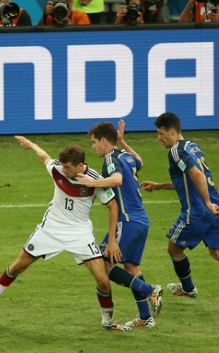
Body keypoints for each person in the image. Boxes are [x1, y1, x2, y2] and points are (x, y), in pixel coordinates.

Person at [0, 137, 132, 332]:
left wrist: (112, 240)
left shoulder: (95, 180)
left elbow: (113, 206)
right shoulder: (57, 169)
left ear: (80, 165)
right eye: (62, 166)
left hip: (80, 234)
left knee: (103, 280)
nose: (63, 170)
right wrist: (30, 145)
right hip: (51, 229)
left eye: (68, 167)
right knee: (19, 265)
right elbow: (44, 156)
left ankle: (108, 322)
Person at [141, 112, 219, 313]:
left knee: (173, 249)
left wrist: (206, 203)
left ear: (172, 131)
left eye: (161, 133)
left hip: (197, 211)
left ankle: (188, 288)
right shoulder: (192, 146)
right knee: (218, 251)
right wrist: (159, 185)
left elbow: (195, 174)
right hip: (216, 209)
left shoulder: (175, 151)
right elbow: (189, 180)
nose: (158, 138)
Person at [77, 121, 164, 328]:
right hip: (141, 220)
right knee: (131, 266)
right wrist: (124, 142)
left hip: (126, 220)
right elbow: (140, 162)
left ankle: (149, 289)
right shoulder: (125, 155)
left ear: (104, 140)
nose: (93, 147)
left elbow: (116, 180)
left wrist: (91, 182)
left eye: (94, 142)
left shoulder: (110, 159)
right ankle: (145, 317)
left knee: (103, 265)